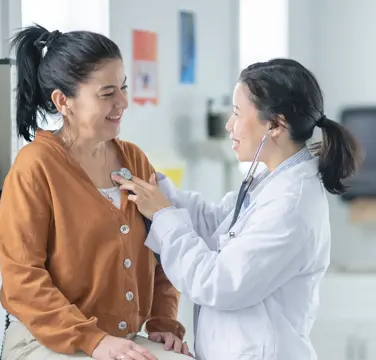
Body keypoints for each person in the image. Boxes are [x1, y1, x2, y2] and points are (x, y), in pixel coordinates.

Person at [112, 58, 362, 360]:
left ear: (275, 125)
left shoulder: (290, 206)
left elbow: (218, 283)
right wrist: (153, 185)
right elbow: (216, 222)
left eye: (236, 113)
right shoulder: (271, 179)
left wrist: (163, 215)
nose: (229, 125)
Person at [0, 24, 193, 360]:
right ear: (63, 101)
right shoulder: (35, 166)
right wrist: (94, 340)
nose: (123, 102)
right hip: (46, 340)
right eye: (107, 93)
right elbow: (22, 278)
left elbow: (163, 249)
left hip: (121, 340)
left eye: (124, 88)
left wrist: (163, 320)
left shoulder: (134, 159)